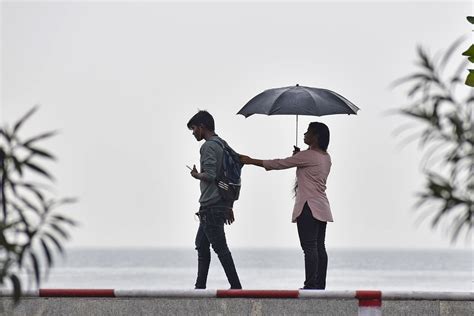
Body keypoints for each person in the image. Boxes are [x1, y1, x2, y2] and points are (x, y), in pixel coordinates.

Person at [240, 122, 333, 290]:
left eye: (308, 132)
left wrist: (251, 161)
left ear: (316, 137)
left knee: (309, 247)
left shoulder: (308, 155)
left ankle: (310, 285)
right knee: (319, 246)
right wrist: (299, 157)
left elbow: (279, 164)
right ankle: (320, 284)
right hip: (322, 206)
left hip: (308, 207)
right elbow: (308, 170)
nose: (304, 134)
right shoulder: (326, 157)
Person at [187, 110, 242, 290]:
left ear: (202, 127)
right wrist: (229, 204)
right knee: (201, 245)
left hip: (211, 205)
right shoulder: (222, 144)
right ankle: (199, 287)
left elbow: (210, 175)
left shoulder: (208, 146)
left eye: (194, 129)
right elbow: (231, 173)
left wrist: (196, 175)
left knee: (220, 248)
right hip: (217, 204)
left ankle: (236, 287)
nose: (193, 132)